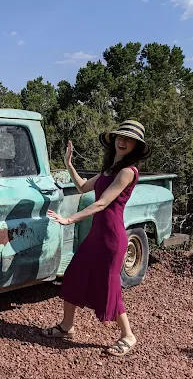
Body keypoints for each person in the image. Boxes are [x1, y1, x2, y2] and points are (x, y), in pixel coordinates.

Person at [42, 120, 152, 357]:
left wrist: (69, 219)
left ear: (136, 146)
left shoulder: (127, 172)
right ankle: (66, 326)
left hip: (112, 238)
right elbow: (82, 187)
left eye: (129, 140)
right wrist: (69, 165)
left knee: (109, 285)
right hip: (97, 235)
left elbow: (102, 203)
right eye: (120, 137)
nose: (122, 142)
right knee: (74, 274)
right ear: (113, 141)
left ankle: (128, 336)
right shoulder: (110, 170)